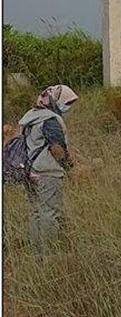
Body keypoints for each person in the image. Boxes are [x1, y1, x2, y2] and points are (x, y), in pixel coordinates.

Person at [17, 84, 78, 253]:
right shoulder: (51, 120)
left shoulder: (31, 116)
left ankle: (37, 253)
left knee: (37, 212)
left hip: (30, 171)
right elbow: (56, 148)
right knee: (50, 213)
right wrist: (68, 165)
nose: (68, 107)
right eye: (67, 102)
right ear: (55, 100)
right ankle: (50, 254)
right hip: (47, 172)